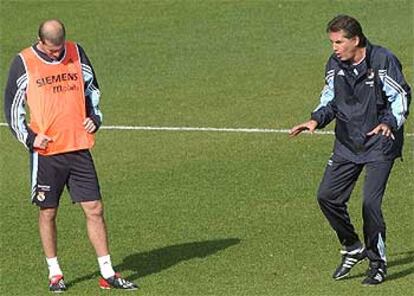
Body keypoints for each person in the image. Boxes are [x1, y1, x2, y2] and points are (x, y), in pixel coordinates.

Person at [4, 19, 138, 292]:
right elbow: (11, 106)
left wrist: (94, 117)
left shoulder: (76, 52)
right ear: (40, 41)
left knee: (95, 209)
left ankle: (107, 272)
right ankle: (55, 273)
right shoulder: (24, 61)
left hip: (78, 147)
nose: (58, 55)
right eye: (52, 51)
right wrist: (30, 138)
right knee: (48, 212)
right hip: (47, 152)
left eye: (60, 49)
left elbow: (91, 88)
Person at [289, 15, 411, 285]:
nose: (334, 47)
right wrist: (315, 119)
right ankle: (353, 246)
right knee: (327, 196)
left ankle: (378, 264)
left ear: (355, 40)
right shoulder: (335, 64)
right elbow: (330, 99)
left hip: (381, 141)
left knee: (370, 203)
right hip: (347, 142)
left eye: (339, 41)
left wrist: (388, 123)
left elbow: (401, 95)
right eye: (332, 42)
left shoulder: (382, 60)